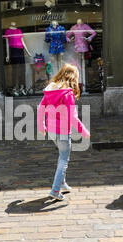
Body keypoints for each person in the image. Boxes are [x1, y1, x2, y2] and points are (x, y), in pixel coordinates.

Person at [37, 63, 91, 201]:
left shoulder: (50, 90)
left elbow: (40, 108)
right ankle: (55, 190)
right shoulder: (67, 94)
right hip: (62, 132)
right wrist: (83, 131)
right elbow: (72, 117)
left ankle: (62, 183)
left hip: (51, 130)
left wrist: (42, 126)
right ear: (73, 78)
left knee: (61, 155)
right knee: (63, 159)